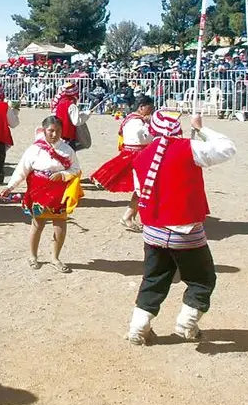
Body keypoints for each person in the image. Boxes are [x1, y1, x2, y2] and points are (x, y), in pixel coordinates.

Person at [125, 111, 236, 345]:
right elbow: (227, 148)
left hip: (153, 231)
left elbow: (139, 191)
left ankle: (138, 327)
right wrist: (202, 129)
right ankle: (186, 323)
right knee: (202, 280)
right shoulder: (189, 148)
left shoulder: (142, 157)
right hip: (184, 231)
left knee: (154, 279)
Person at [0, 116, 84, 273]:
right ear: (44, 130)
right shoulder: (34, 149)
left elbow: (76, 170)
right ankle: (33, 256)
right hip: (38, 193)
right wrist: (10, 187)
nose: (54, 134)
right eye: (51, 130)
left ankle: (55, 258)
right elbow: (22, 169)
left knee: (60, 226)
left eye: (58, 131)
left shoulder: (67, 150)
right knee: (38, 224)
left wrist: (63, 174)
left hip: (59, 194)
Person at [90, 95, 156, 231]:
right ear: (142, 107)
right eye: (149, 107)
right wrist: (151, 127)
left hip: (134, 155)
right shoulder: (137, 122)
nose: (151, 110)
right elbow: (144, 138)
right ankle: (130, 216)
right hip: (138, 157)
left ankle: (131, 216)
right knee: (144, 188)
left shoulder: (131, 119)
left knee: (143, 189)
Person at [52, 81, 89, 150]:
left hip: (60, 134)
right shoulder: (71, 105)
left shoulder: (60, 102)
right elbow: (76, 121)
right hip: (68, 136)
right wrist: (87, 114)